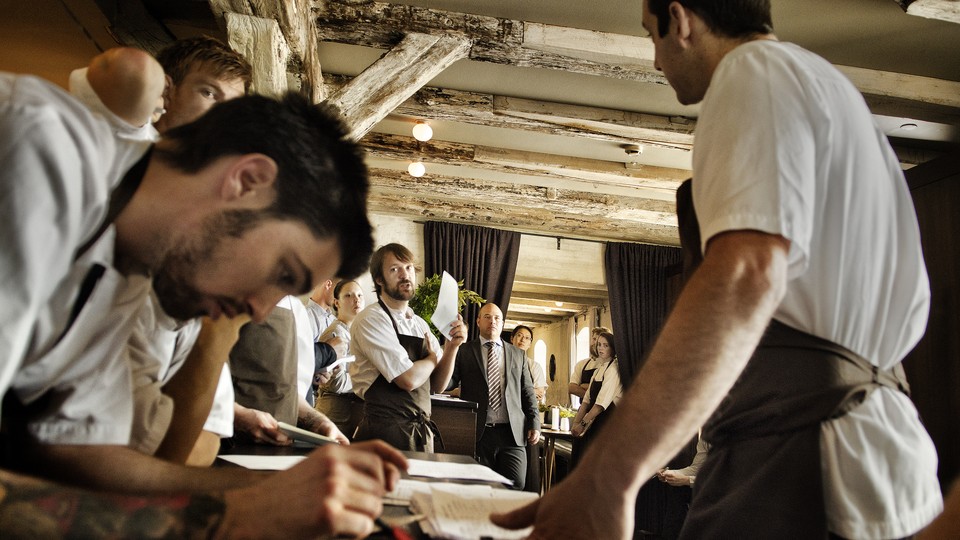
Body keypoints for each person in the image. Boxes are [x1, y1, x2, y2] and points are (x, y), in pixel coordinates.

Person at [494, 1, 941, 538]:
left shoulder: (753, 73)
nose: (656, 61)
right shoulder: (831, 91)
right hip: (873, 449)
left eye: (651, 36)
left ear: (680, 20)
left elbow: (744, 275)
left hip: (800, 452)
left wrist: (607, 477)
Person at [0, 69, 404, 537]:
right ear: (247, 180)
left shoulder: (128, 272)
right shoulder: (34, 150)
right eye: (283, 273)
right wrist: (229, 517)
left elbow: (80, 454)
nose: (259, 310)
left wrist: (284, 489)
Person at [350, 243, 467, 451]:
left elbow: (436, 386)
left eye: (409, 268)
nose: (405, 275)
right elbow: (408, 379)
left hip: (420, 435)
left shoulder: (419, 323)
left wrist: (451, 347)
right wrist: (431, 358)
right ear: (379, 279)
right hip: (383, 434)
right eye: (395, 269)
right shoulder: (371, 319)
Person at [448, 303, 541, 489]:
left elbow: (527, 391)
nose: (493, 321)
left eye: (497, 318)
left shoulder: (517, 354)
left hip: (512, 433)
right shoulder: (464, 351)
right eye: (488, 317)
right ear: (478, 321)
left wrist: (534, 423)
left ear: (503, 322)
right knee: (479, 487)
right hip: (478, 432)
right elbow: (449, 382)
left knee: (516, 484)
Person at [317, 279, 366, 437]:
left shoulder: (359, 332)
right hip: (333, 416)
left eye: (359, 295)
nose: (356, 299)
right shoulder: (335, 334)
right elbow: (336, 383)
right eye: (349, 295)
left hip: (352, 414)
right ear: (337, 303)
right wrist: (367, 380)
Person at [569, 331, 622, 468]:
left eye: (605, 345)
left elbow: (600, 404)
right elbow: (586, 401)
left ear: (613, 348)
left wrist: (583, 424)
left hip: (606, 424)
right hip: (593, 423)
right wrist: (576, 423)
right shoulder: (599, 369)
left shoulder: (613, 369)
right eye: (599, 345)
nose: (601, 348)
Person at [568, 326, 610, 403]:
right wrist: (592, 398)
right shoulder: (582, 364)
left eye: (599, 341)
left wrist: (582, 386)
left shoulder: (610, 365)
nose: (595, 343)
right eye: (594, 339)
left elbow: (605, 389)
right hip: (585, 410)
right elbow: (571, 388)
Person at [511, 325, 546, 403]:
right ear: (512, 338)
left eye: (527, 338)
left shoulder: (534, 366)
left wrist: (513, 392)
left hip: (527, 410)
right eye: (519, 335)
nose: (523, 340)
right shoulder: (502, 361)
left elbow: (540, 394)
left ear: (530, 344)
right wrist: (531, 391)